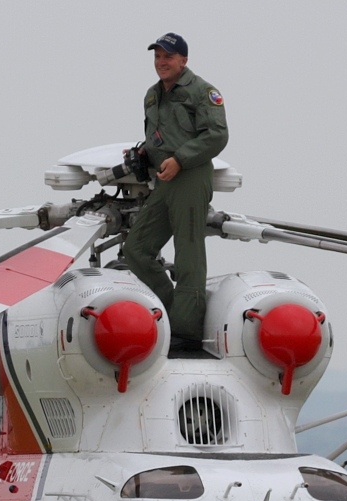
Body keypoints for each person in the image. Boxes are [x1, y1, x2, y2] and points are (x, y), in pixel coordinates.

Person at [122, 33, 228, 353]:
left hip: (191, 177)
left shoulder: (202, 92)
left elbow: (217, 135)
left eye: (168, 56)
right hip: (164, 181)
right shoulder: (152, 95)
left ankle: (187, 330)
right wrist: (144, 153)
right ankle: (172, 312)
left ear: (184, 60)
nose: (161, 62)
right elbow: (160, 135)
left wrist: (180, 159)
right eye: (157, 56)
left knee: (188, 252)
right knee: (137, 248)